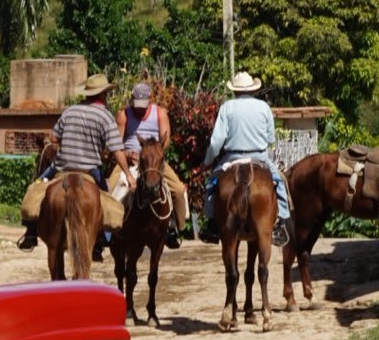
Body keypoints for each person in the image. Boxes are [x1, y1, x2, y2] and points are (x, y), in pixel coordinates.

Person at [17, 73, 136, 251]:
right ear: (103, 95)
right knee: (106, 200)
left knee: (35, 189)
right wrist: (128, 175)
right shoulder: (105, 116)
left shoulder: (70, 111)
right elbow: (116, 150)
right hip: (91, 171)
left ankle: (31, 232)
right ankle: (103, 239)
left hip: (61, 167)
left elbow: (54, 137)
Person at [200, 71, 291, 247]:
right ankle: (281, 222)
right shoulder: (263, 107)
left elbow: (217, 140)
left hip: (231, 157)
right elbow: (271, 138)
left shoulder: (227, 107)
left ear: (235, 91)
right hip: (259, 156)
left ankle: (211, 223)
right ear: (252, 90)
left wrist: (207, 161)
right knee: (280, 183)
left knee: (211, 185)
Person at [112, 80, 189, 249]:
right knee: (109, 189)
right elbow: (117, 143)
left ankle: (175, 227)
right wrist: (127, 153)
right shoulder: (123, 115)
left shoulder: (160, 113)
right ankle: (105, 230)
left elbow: (166, 140)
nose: (140, 108)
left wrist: (152, 152)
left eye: (143, 105)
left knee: (177, 190)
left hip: (153, 159)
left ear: (149, 100)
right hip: (129, 157)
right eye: (137, 104)